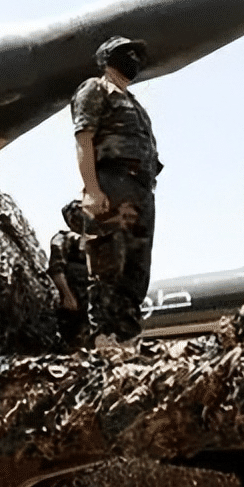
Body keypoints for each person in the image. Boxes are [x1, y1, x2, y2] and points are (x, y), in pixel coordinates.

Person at [70, 36, 161, 341]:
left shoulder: (134, 103)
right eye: (126, 53)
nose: (134, 57)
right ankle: (105, 343)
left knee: (136, 274)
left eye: (137, 53)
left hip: (141, 190)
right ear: (107, 58)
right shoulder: (95, 89)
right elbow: (84, 139)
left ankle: (127, 340)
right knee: (108, 269)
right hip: (113, 183)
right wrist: (92, 190)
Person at [48, 200, 93, 346]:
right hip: (73, 305)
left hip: (90, 304)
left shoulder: (93, 242)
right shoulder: (64, 238)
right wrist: (67, 296)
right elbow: (56, 269)